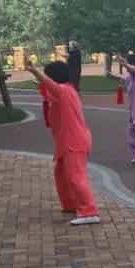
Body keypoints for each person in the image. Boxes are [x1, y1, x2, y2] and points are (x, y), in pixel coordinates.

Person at [25, 58, 100, 225]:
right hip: (67, 141)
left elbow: (50, 86)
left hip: (74, 141)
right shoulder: (63, 92)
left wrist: (34, 71)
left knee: (76, 177)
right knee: (61, 174)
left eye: (48, 76)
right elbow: (48, 91)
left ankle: (89, 211)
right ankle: (71, 205)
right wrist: (39, 80)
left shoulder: (64, 91)